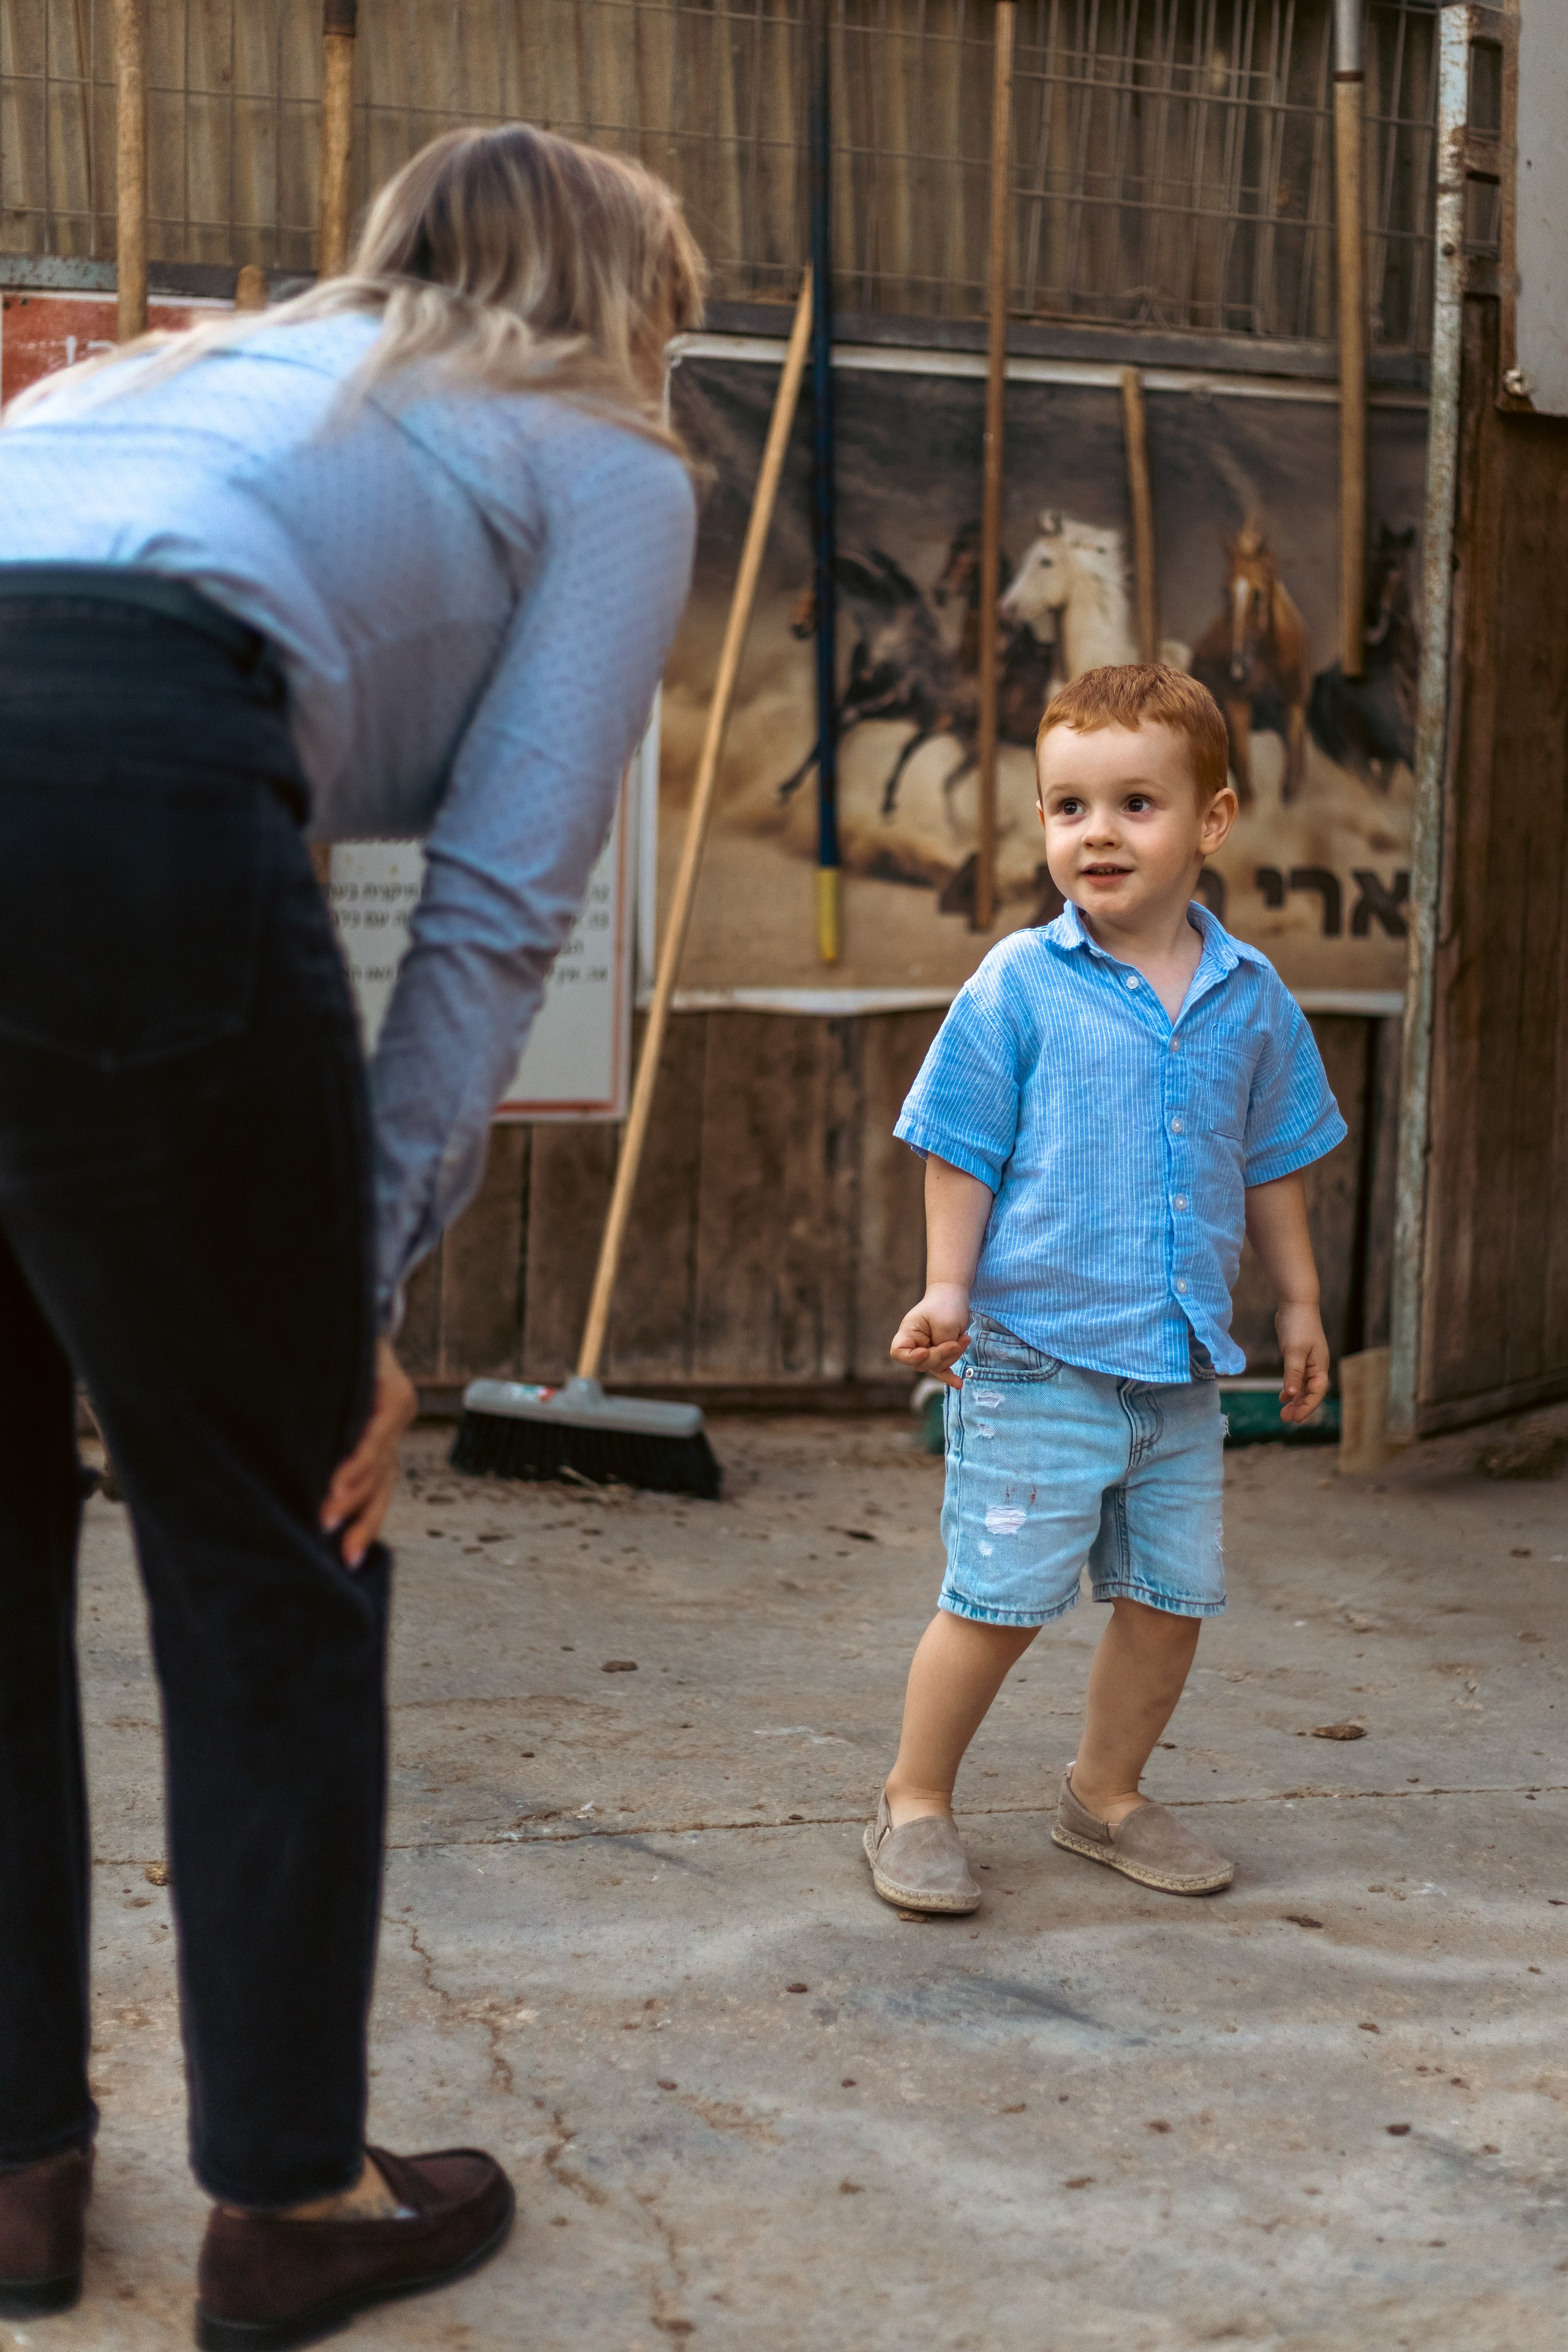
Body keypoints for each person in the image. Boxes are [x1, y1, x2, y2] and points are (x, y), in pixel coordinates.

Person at [0, 125, 701, 2346]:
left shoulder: (157, 385)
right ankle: (292, 2201)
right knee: (279, 1532)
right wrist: (351, 1302)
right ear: (627, 306)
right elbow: (493, 909)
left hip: (111, 750)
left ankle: (12, 2170)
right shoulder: (595, 455)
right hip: (131, 776)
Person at [868, 665, 1346, 1916]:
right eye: (1066, 806)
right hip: (1034, 1356)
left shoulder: (1250, 997)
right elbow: (957, 1146)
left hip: (1180, 1367)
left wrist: (1295, 1304)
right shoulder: (1017, 983)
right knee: (997, 1599)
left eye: (1135, 803)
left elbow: (1275, 1158)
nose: (1095, 832)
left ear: (1211, 820)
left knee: (1169, 1601)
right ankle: (913, 1798)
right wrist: (945, 1289)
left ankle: (1104, 1792)